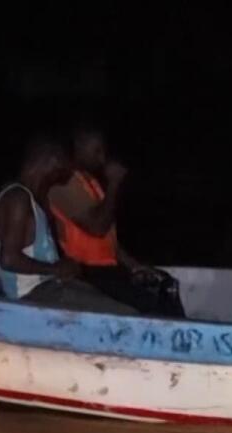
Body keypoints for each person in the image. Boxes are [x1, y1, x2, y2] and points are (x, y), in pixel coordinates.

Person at [46, 125, 185, 317]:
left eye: (103, 150)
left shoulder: (88, 181)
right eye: (96, 150)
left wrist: (134, 265)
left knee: (164, 286)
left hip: (105, 269)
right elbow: (98, 227)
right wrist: (114, 184)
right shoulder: (64, 184)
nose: (102, 157)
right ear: (79, 146)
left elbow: (107, 241)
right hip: (85, 271)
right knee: (147, 304)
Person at [0, 138, 129, 312]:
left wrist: (61, 267)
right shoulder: (18, 199)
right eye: (65, 164)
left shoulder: (32, 198)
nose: (68, 171)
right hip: (31, 294)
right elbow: (9, 259)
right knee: (123, 315)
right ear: (52, 160)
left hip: (47, 287)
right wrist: (54, 269)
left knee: (114, 301)